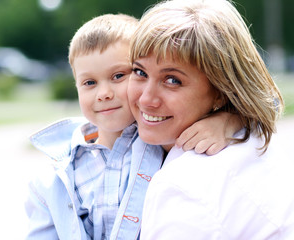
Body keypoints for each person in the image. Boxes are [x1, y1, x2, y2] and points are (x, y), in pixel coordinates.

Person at [25, 13, 242, 240]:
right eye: (89, 83)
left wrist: (228, 120)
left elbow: (263, 106)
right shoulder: (58, 175)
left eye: (118, 76)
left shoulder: (160, 135)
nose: (104, 94)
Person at [125, 0, 294, 239]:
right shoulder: (251, 137)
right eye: (140, 72)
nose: (145, 99)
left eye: (172, 80)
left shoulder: (184, 186)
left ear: (220, 91)